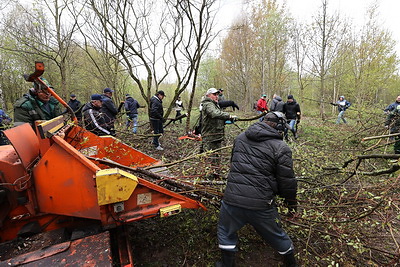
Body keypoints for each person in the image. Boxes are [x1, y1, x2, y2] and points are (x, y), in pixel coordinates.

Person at [217, 112, 298, 267]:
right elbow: (287, 182)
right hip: (261, 205)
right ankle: (291, 264)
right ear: (279, 126)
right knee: (277, 235)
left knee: (225, 231)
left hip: (231, 200)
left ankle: (226, 264)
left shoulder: (240, 138)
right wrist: (291, 204)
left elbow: (234, 164)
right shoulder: (281, 147)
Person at [200, 88, 236, 154]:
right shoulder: (208, 104)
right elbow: (214, 114)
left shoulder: (215, 105)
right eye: (214, 94)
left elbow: (216, 118)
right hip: (210, 138)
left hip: (216, 137)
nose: (216, 96)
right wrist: (228, 116)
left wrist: (226, 120)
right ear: (208, 95)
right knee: (210, 159)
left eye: (217, 94)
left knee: (216, 159)